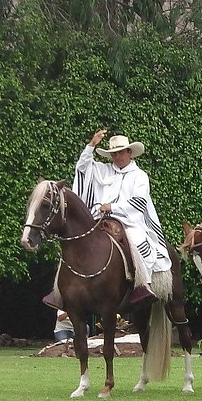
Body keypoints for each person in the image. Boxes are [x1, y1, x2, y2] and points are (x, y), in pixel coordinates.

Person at [73, 129, 167, 306]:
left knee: (137, 240)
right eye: (114, 153)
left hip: (128, 220)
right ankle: (62, 290)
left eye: (121, 152)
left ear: (129, 152)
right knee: (76, 238)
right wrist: (91, 145)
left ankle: (142, 284)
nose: (117, 156)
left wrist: (113, 207)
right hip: (99, 218)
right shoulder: (103, 170)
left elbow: (139, 202)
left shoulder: (140, 176)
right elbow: (82, 168)